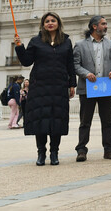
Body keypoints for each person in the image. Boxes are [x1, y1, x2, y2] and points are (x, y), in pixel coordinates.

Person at [15, 12, 76, 166]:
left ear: (58, 23)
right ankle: (41, 153)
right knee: (41, 120)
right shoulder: (36, 41)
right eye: (47, 21)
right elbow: (27, 61)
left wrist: (72, 84)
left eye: (53, 20)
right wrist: (19, 47)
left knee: (57, 120)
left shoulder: (66, 42)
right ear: (43, 24)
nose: (50, 23)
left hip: (59, 86)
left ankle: (54, 153)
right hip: (39, 86)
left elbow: (70, 64)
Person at [73, 15, 111, 161]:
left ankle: (109, 149)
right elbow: (75, 65)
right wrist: (86, 74)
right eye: (103, 24)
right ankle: (81, 149)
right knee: (85, 121)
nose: (106, 26)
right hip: (88, 88)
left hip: (106, 88)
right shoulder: (80, 45)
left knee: (107, 121)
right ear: (94, 26)